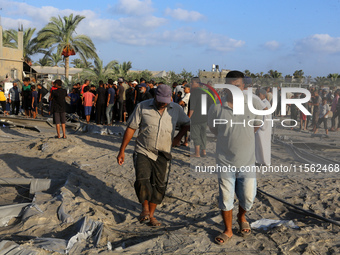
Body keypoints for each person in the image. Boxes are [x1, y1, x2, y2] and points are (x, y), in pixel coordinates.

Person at [117, 84, 190, 226]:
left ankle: (151, 215)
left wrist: (178, 138)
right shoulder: (142, 107)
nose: (162, 103)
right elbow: (131, 128)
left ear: (170, 98)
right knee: (142, 179)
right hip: (143, 150)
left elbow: (187, 123)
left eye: (165, 101)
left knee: (160, 186)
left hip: (164, 152)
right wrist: (122, 150)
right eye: (160, 100)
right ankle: (144, 209)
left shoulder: (176, 109)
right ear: (155, 96)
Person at [208, 71, 260, 244]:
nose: (234, 89)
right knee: (225, 198)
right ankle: (228, 230)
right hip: (225, 161)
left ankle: (242, 216)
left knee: (248, 197)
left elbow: (256, 126)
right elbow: (214, 130)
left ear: (244, 86)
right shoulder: (216, 107)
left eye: (237, 85)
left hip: (247, 161)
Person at [188, 77, 210, 157]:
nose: (191, 84)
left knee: (196, 135)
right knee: (203, 135)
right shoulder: (204, 92)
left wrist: (188, 118)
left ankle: (197, 153)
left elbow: (192, 107)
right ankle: (203, 151)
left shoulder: (194, 93)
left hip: (196, 118)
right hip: (204, 118)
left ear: (197, 83)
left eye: (192, 82)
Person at [255, 89, 272, 166]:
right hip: (262, 126)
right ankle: (260, 161)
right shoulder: (263, 102)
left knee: (263, 145)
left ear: (263, 95)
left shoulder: (265, 103)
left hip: (264, 126)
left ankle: (264, 162)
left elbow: (266, 110)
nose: (258, 96)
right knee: (259, 144)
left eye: (259, 94)